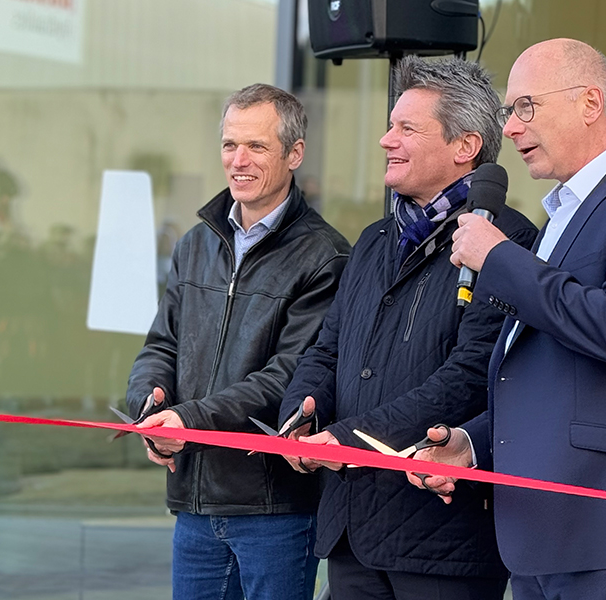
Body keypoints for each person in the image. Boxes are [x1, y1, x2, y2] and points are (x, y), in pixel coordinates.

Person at [408, 38, 606, 600]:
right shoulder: (562, 216)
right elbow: (549, 375)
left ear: (590, 103)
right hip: (543, 531)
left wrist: (498, 259)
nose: (513, 128)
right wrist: (474, 444)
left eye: (527, 106)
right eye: (508, 111)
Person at [278, 56, 538, 600]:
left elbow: (470, 375)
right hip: (351, 529)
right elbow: (328, 350)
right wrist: (300, 416)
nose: (385, 140)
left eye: (406, 128)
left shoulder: (507, 244)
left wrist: (349, 440)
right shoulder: (374, 240)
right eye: (390, 124)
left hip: (444, 543)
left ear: (465, 147)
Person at [125, 83, 351, 600]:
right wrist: (151, 405)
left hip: (272, 507)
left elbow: (288, 375)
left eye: (256, 147)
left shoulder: (325, 257)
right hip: (194, 501)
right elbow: (161, 344)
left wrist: (189, 420)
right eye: (230, 145)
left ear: (294, 154)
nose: (238, 160)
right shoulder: (196, 242)